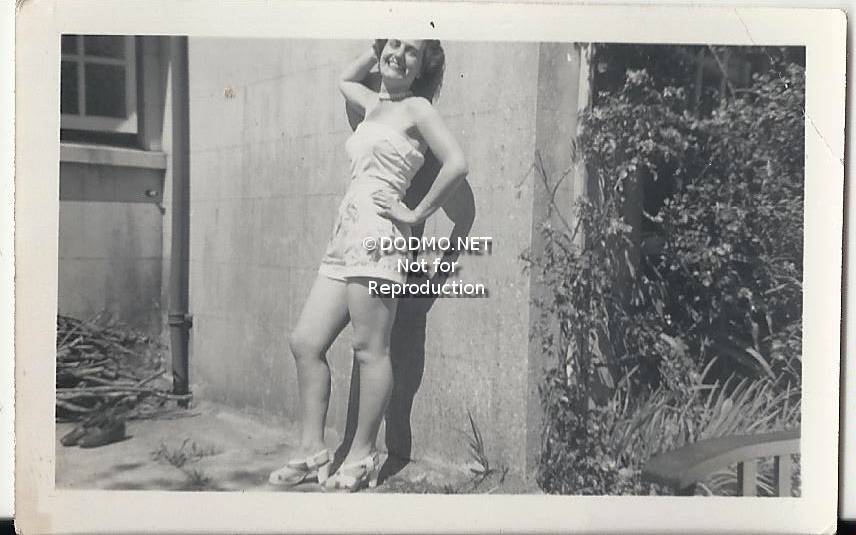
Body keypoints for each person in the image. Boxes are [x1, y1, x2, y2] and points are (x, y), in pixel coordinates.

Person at [268, 39, 468, 492]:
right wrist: (378, 45)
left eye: (411, 51)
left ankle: (361, 456)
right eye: (394, 44)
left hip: (379, 236)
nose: (399, 54)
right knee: (305, 342)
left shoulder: (418, 109)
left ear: (422, 68)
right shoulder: (372, 103)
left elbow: (457, 164)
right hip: (344, 234)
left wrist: (415, 214)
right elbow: (344, 80)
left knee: (369, 349)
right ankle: (311, 450)